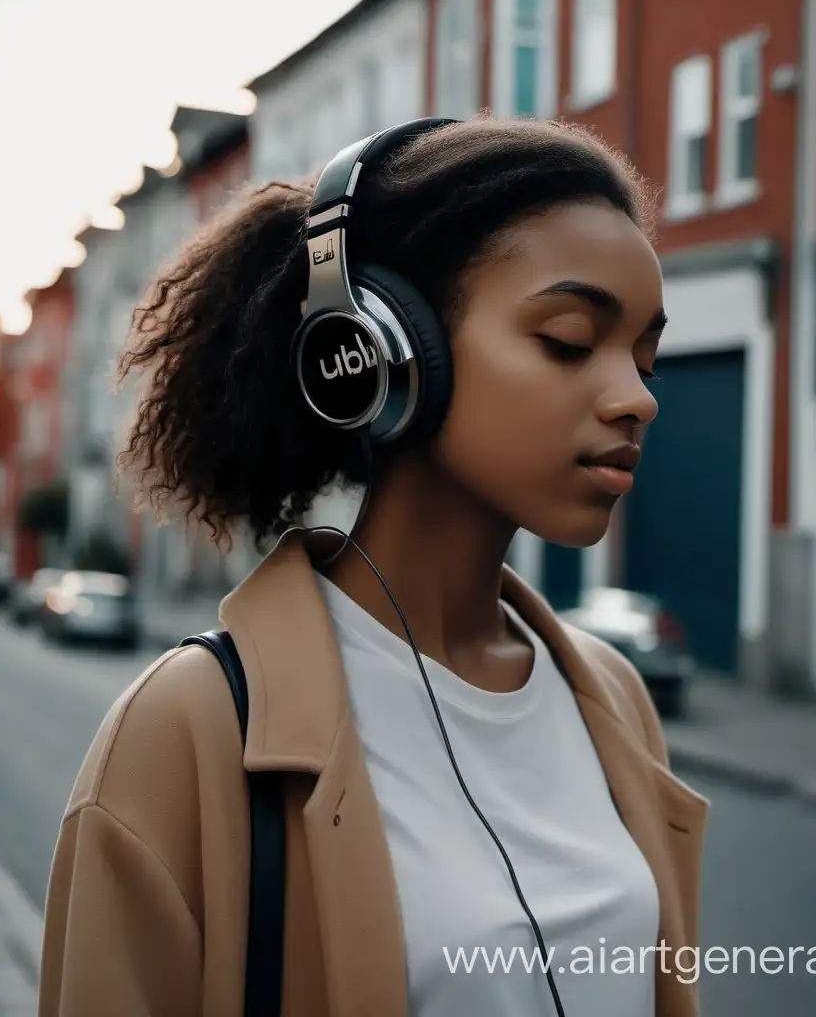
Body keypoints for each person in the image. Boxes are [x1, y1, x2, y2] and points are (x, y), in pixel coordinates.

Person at [38, 113, 709, 1017]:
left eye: (644, 360)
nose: (635, 399)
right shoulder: (189, 728)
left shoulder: (615, 701)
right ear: (375, 355)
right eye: (567, 340)